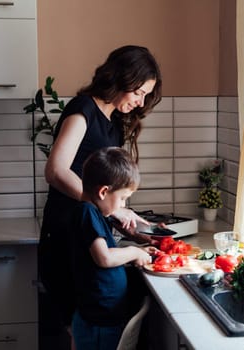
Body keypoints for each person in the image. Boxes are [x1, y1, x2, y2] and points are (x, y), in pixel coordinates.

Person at [38, 45, 162, 341]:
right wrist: (114, 210)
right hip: (66, 235)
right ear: (122, 78)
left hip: (86, 234)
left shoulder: (113, 123)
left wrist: (127, 226)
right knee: (76, 331)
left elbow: (103, 192)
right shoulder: (83, 110)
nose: (140, 101)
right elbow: (55, 171)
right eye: (139, 92)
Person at [69, 147, 157, 350]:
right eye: (123, 198)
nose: (124, 205)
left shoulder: (96, 213)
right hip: (98, 320)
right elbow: (105, 258)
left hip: (104, 316)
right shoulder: (86, 213)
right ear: (103, 192)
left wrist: (141, 248)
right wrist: (134, 252)